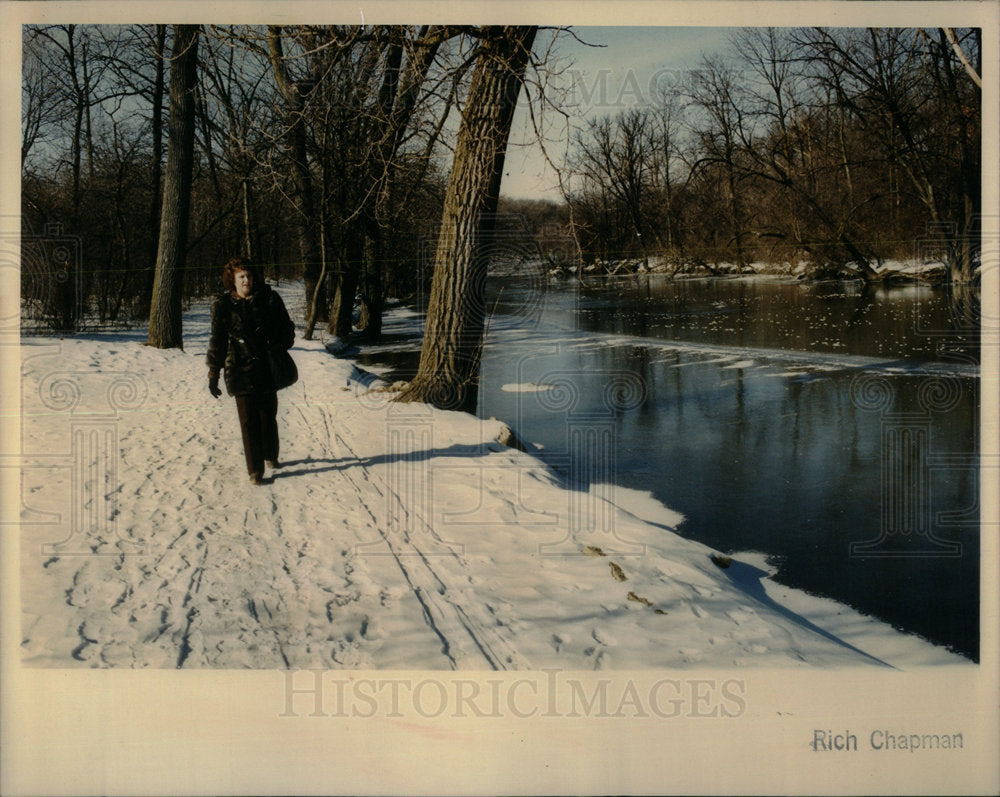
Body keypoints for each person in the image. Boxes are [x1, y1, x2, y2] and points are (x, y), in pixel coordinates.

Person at [206, 259, 295, 485]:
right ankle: (254, 471)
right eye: (241, 277)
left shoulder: (269, 299)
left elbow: (287, 330)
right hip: (238, 368)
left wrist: (275, 344)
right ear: (232, 282)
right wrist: (213, 374)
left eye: (249, 276)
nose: (246, 280)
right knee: (248, 421)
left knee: (267, 417)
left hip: (266, 367)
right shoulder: (223, 305)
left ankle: (270, 454)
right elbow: (217, 340)